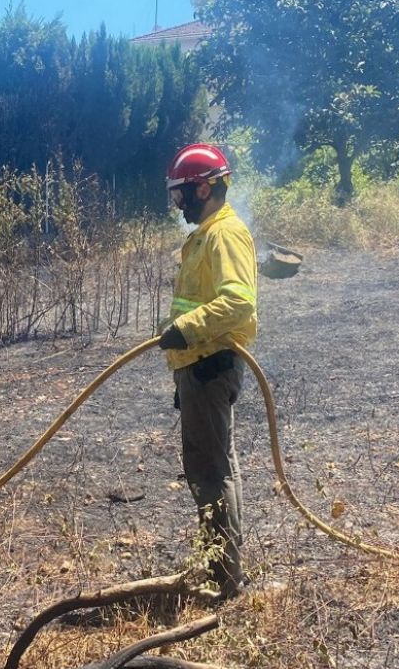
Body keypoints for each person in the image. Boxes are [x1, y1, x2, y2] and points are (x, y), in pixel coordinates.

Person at [158, 143, 258, 598]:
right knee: (216, 466)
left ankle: (223, 579)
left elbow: (239, 302)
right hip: (198, 365)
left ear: (203, 187)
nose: (178, 205)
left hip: (208, 365)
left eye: (182, 195)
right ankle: (223, 567)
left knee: (210, 471)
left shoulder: (223, 234)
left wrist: (187, 328)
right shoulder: (206, 234)